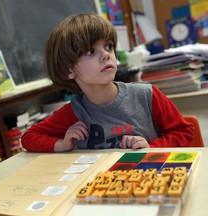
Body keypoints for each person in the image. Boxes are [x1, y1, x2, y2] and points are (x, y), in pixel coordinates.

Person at [21, 13, 194, 152]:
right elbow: (29, 137)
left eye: (109, 46)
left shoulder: (146, 95)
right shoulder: (75, 112)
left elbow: (184, 132)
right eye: (90, 51)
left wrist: (152, 147)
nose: (106, 54)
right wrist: (62, 144)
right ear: (68, 70)